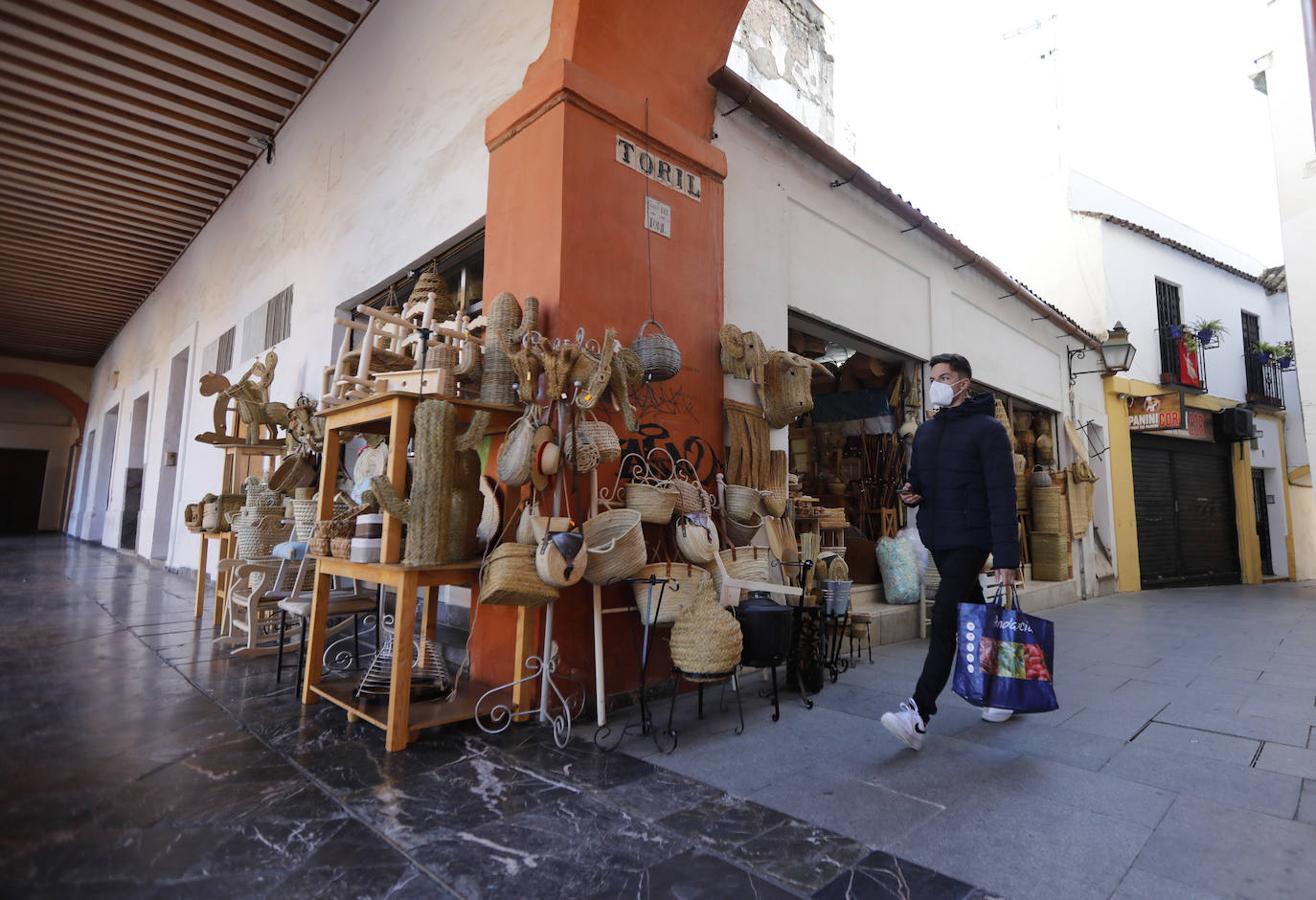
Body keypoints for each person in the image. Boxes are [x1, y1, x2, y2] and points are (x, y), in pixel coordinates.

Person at [880, 353, 1019, 750]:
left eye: (943, 377)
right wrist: (911, 495)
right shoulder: (926, 432)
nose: (936, 383)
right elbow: (918, 483)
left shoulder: (988, 431)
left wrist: (1007, 558)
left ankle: (918, 714)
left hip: (972, 539)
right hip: (939, 538)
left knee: (944, 621)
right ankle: (1001, 691)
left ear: (963, 384)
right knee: (974, 615)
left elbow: (1002, 496)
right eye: (933, 377)